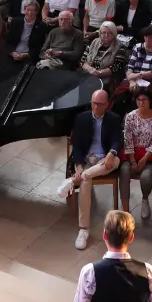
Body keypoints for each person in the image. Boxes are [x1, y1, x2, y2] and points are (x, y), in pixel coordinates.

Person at [58, 90, 125, 250]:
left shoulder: (113, 119)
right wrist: (79, 166)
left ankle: (73, 181)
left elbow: (117, 140)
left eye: (99, 104)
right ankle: (83, 230)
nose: (95, 107)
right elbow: (78, 146)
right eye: (93, 103)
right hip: (88, 160)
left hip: (105, 160)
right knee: (86, 181)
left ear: (107, 105)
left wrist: (111, 153)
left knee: (114, 160)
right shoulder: (82, 118)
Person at [120, 90, 152, 222]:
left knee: (146, 177)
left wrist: (144, 160)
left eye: (144, 99)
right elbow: (127, 139)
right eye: (139, 100)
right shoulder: (130, 116)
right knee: (124, 171)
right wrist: (133, 161)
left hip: (150, 155)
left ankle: (145, 200)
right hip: (132, 154)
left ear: (150, 101)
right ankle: (125, 210)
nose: (141, 102)